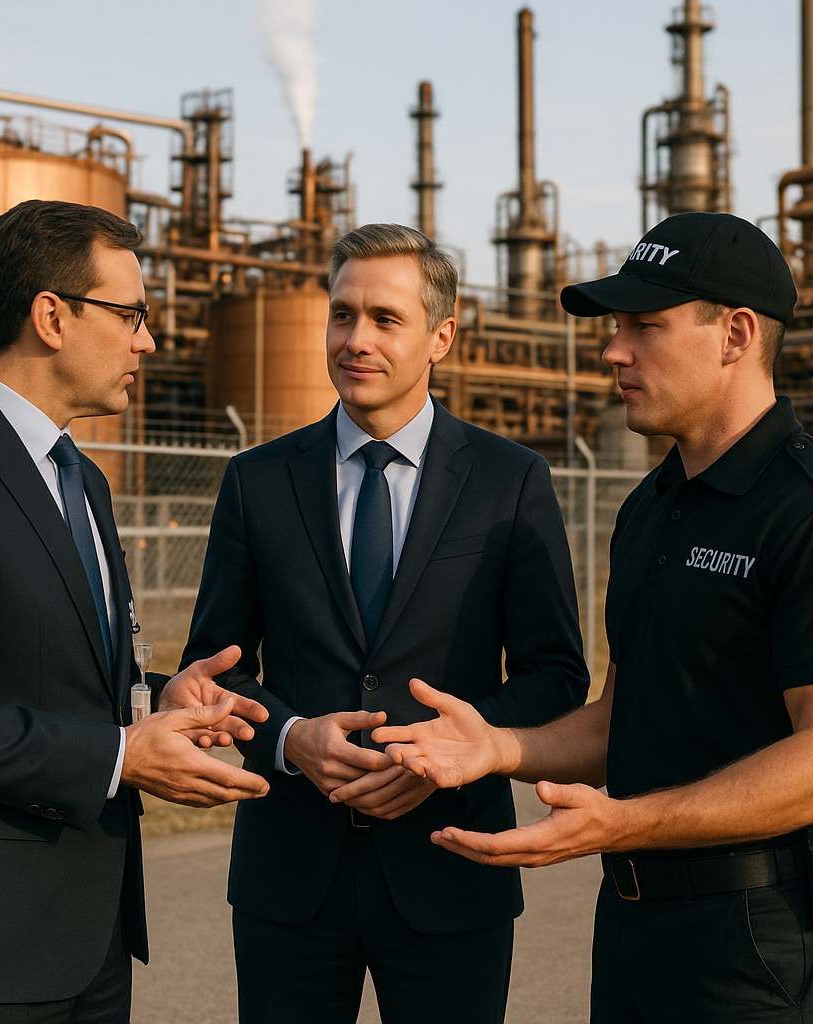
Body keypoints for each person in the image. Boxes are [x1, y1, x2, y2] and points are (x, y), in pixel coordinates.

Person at [372, 212, 813, 1023]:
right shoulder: (652, 507)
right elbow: (624, 717)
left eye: (647, 326)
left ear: (736, 334)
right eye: (615, 327)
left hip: (762, 941)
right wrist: (501, 747)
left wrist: (620, 822)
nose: (614, 350)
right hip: (636, 928)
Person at [168, 223, 589, 1023]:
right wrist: (290, 738)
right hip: (289, 874)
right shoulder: (257, 481)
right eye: (342, 315)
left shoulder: (510, 481)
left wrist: (453, 751)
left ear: (441, 337)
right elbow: (214, 668)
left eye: (385, 319)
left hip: (449, 866)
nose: (356, 339)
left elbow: (555, 672)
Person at [0, 199, 270, 1023]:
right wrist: (118, 757)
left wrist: (157, 697)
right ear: (52, 315)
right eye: (131, 315)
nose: (146, 341)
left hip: (88, 941)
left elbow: (59, 668)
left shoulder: (81, 477)